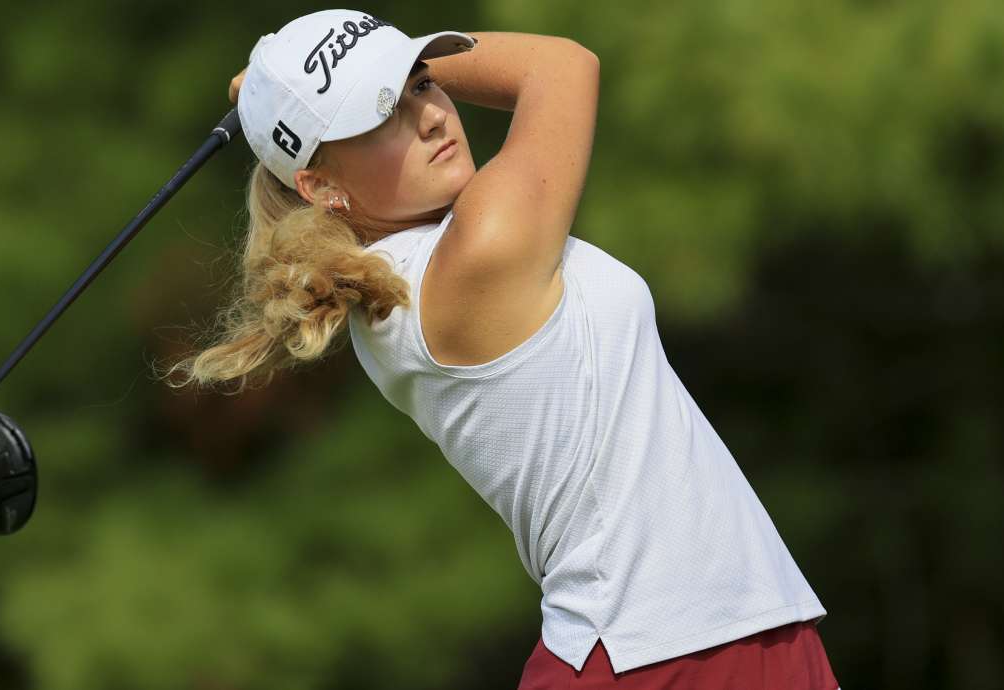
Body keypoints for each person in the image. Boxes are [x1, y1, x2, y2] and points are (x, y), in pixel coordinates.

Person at [159, 8, 841, 689]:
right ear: (322, 187)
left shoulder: (400, 271)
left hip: (716, 635)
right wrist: (315, 78)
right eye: (377, 116)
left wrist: (303, 86)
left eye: (421, 84)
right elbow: (562, 65)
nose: (429, 116)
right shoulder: (476, 250)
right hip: (660, 656)